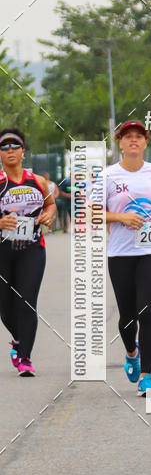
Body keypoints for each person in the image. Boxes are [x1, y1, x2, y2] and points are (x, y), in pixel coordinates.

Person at [90, 120, 151, 396]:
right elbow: (92, 213)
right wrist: (120, 217)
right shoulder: (108, 176)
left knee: (146, 312)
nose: (134, 140)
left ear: (146, 141)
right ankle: (131, 352)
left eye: (139, 136)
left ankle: (147, 377)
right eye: (128, 137)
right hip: (120, 252)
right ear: (120, 142)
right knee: (127, 316)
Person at [0, 128, 56, 376]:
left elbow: (51, 204)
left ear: (23, 151)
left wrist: (49, 216)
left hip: (32, 249)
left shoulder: (38, 181)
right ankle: (19, 341)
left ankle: (25, 359)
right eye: (4, 147)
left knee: (26, 302)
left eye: (15, 146)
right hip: (3, 250)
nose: (10, 150)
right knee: (5, 306)